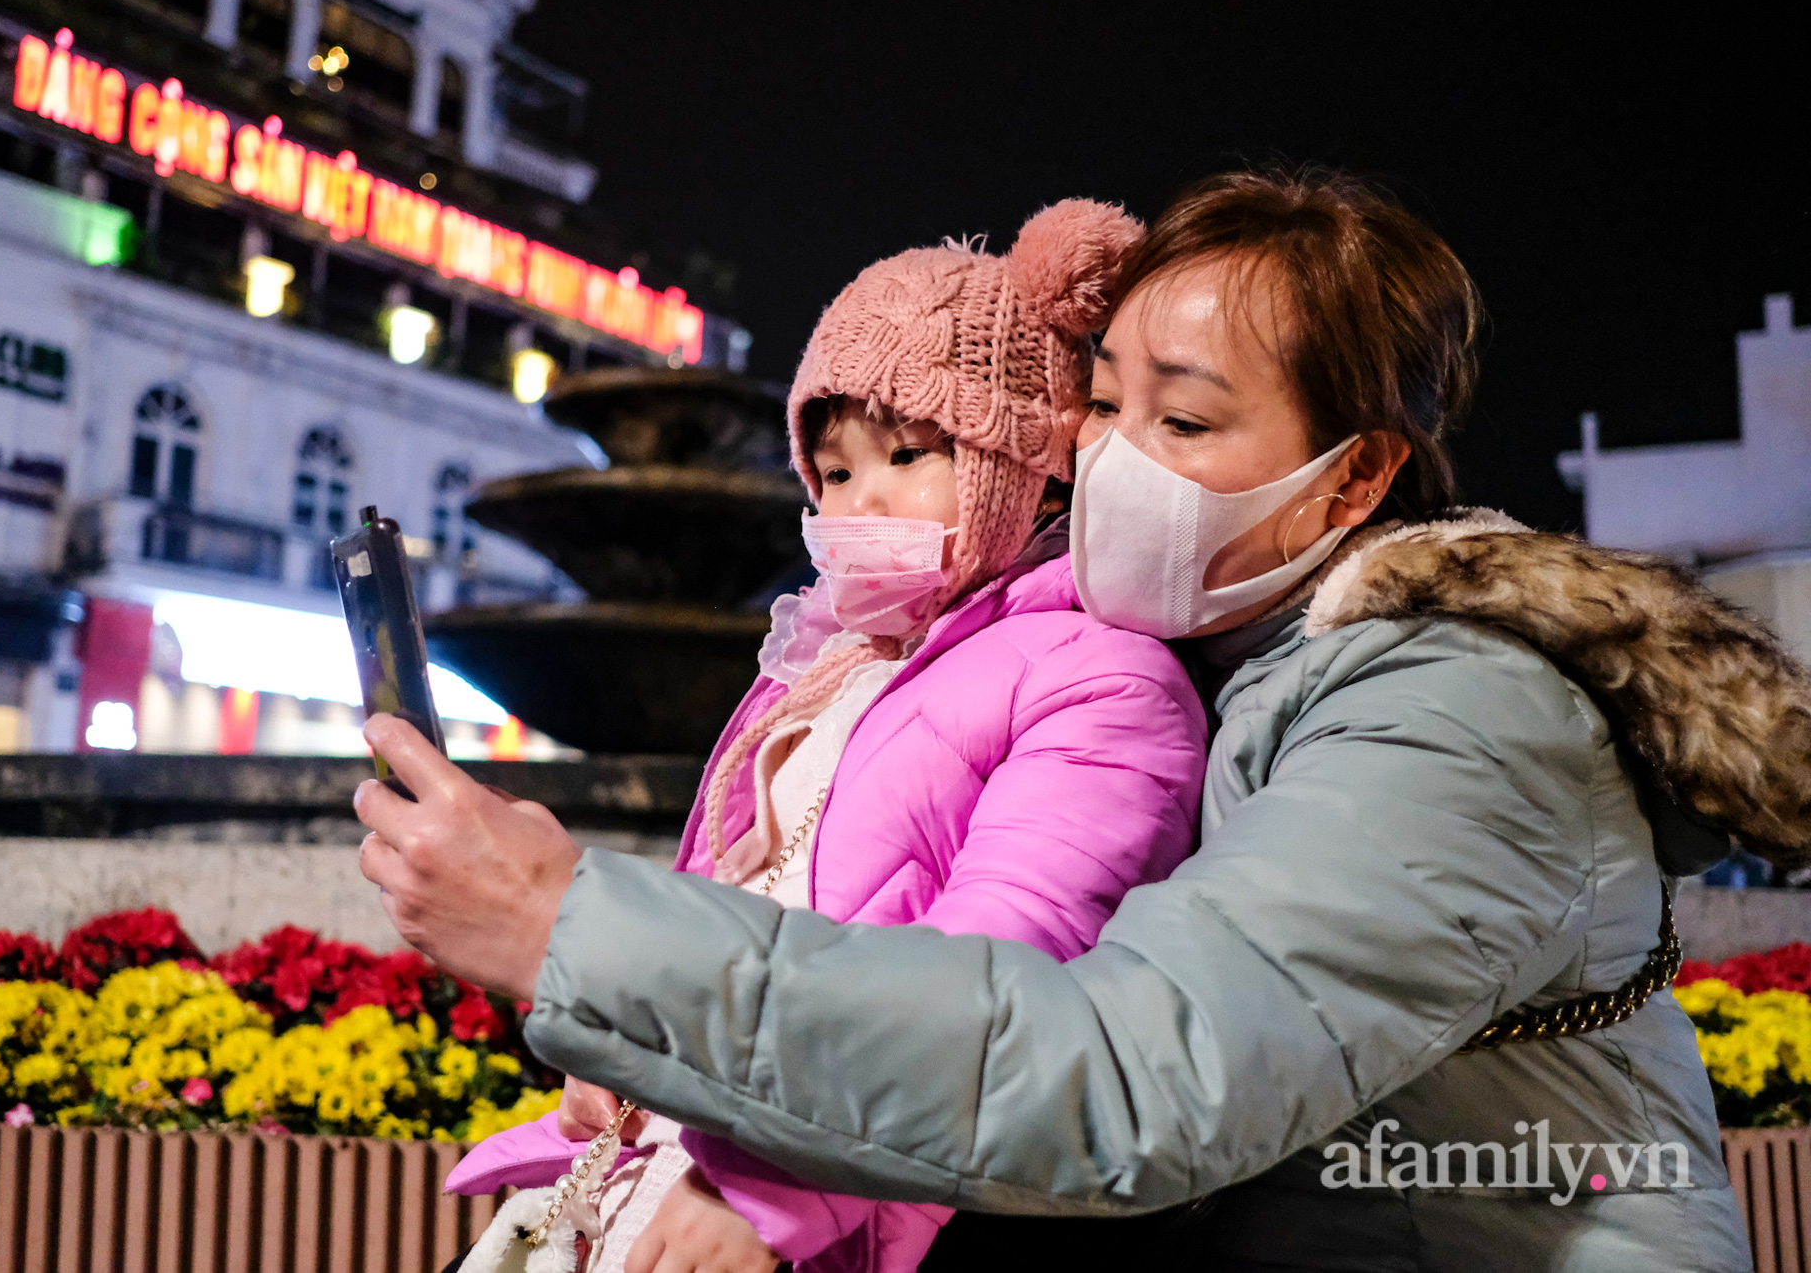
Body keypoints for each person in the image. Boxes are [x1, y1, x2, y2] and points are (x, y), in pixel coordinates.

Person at [360, 170, 1804, 1271]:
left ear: (1357, 477)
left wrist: (579, 934)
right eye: (1102, 403)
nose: (1109, 460)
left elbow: (1132, 1073)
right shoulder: (1201, 652)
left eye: (1183, 422)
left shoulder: (1455, 715)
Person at [432, 201, 1209, 1273]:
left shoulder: (1102, 681)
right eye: (836, 472)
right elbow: (736, 899)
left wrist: (767, 1197)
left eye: (909, 450)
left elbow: (985, 1003)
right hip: (665, 1164)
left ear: (1027, 458)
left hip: (822, 1204)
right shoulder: (829, 668)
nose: (864, 501)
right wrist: (624, 1035)